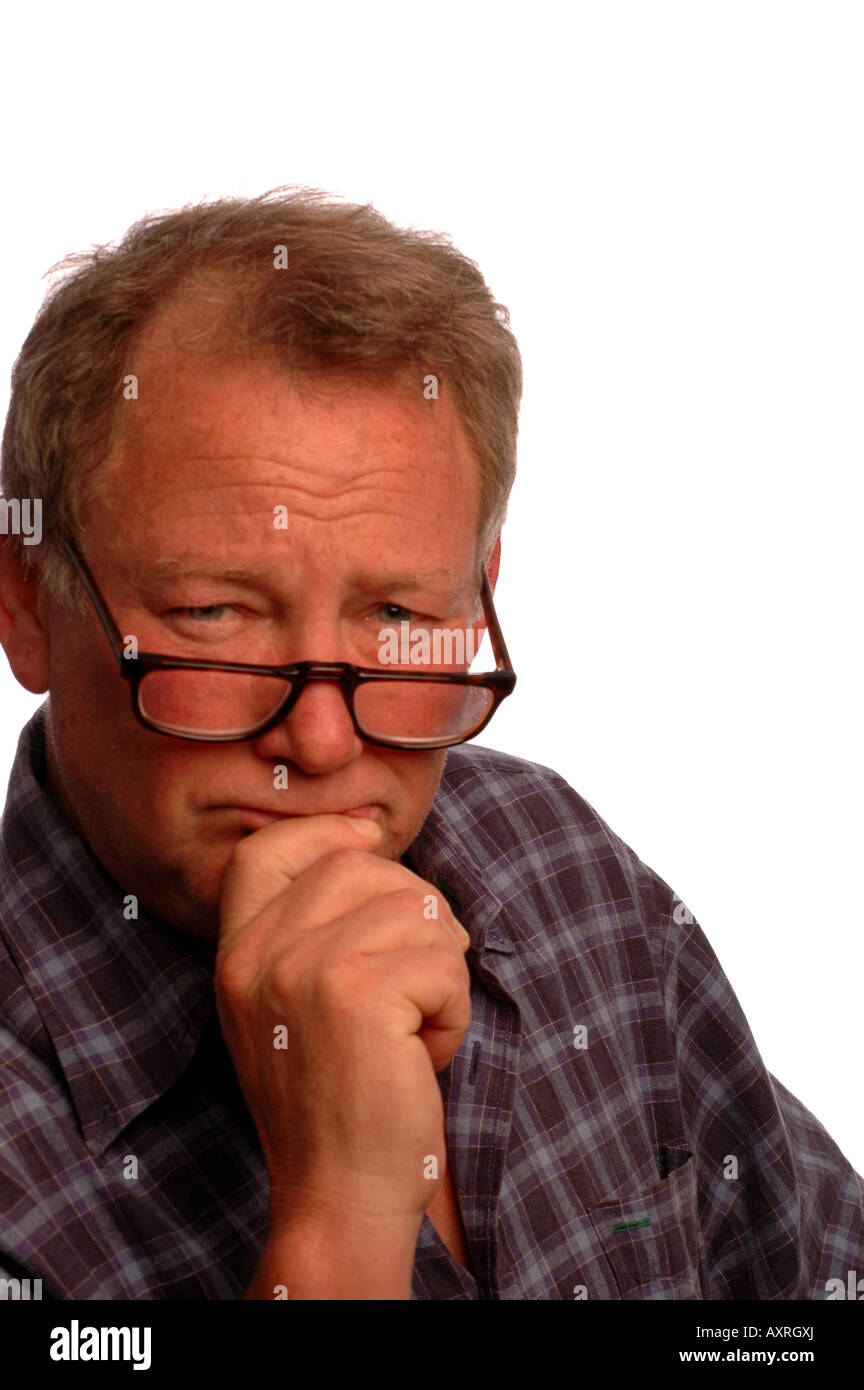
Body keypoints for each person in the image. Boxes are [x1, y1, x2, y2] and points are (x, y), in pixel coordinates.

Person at [0, 187, 861, 1302]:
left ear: (480, 589)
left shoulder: (559, 865)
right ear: (27, 599)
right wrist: (340, 1220)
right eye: (215, 614)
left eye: (400, 621)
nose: (316, 742)